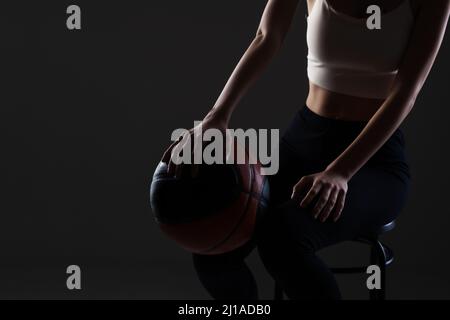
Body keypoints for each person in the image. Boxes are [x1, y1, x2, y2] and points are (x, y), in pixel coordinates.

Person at [164, 0, 450, 300]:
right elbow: (266, 37)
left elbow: (406, 93)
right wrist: (217, 116)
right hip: (304, 142)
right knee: (211, 231)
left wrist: (341, 171)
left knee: (283, 238)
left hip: (372, 160)